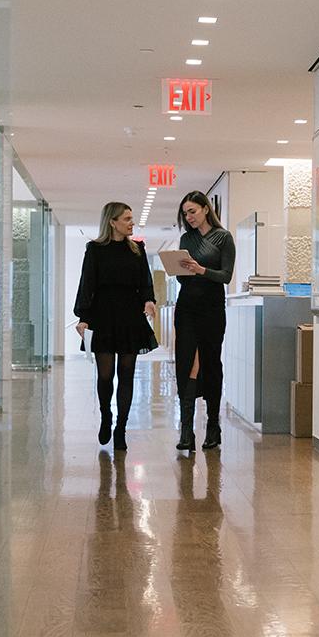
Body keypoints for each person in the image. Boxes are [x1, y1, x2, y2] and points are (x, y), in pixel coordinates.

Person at [74, 202, 158, 450]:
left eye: (132, 218)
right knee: (105, 375)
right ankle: (106, 416)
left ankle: (121, 427)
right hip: (103, 316)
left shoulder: (137, 249)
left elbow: (145, 282)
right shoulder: (95, 250)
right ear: (112, 222)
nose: (132, 223)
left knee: (127, 373)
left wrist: (149, 300)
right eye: (127, 219)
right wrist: (83, 317)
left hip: (130, 315)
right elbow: (86, 284)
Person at [173, 190, 235, 451]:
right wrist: (181, 269)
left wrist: (201, 270)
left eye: (192, 211)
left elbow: (226, 276)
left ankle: (212, 425)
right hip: (187, 306)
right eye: (185, 214)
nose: (189, 217)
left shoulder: (223, 237)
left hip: (211, 308)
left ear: (206, 209)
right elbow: (181, 276)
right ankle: (186, 430)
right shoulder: (186, 238)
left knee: (210, 363)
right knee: (186, 363)